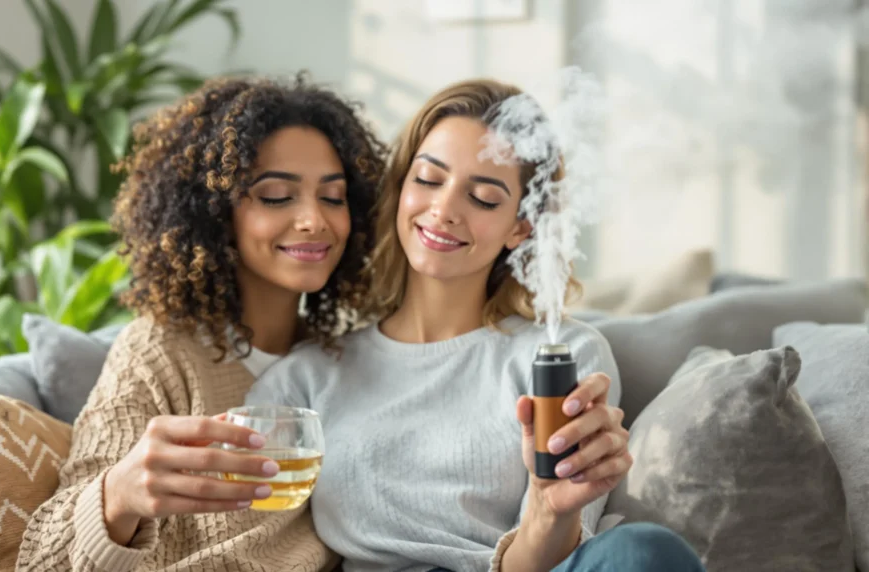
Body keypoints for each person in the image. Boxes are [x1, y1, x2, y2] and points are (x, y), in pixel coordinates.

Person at [246, 79, 705, 572]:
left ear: (520, 226)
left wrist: (549, 510)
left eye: (484, 198)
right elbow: (245, 542)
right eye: (427, 179)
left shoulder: (563, 356)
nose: (444, 211)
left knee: (640, 552)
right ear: (400, 188)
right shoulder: (305, 380)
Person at [16, 74, 385, 572]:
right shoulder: (159, 354)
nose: (314, 220)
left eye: (334, 197)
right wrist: (119, 496)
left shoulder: (345, 358)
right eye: (277, 196)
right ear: (213, 212)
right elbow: (42, 563)